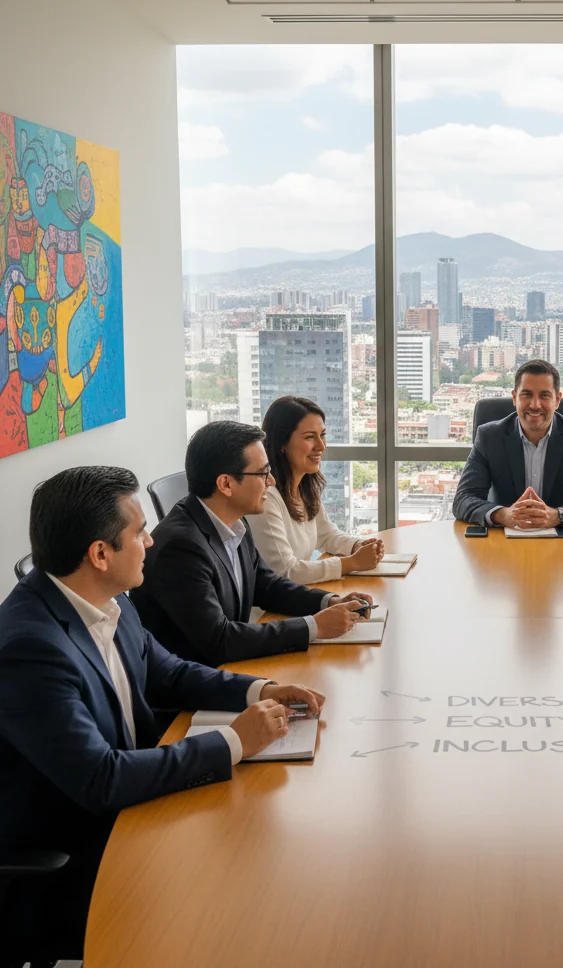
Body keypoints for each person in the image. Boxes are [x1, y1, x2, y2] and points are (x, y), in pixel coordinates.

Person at [0, 467, 325, 960]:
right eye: (138, 532)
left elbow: (168, 672)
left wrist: (263, 689)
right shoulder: (30, 647)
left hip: (140, 807)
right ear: (100, 553)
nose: (151, 541)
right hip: (78, 854)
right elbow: (102, 779)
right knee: (247, 907)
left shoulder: (108, 598)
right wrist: (234, 742)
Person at [131, 421, 372, 667]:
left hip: (229, 670)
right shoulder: (180, 548)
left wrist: (329, 601)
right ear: (225, 484)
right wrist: (314, 626)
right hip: (193, 694)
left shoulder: (234, 521)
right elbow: (220, 640)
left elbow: (265, 585)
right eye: (263, 473)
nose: (272, 482)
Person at [452, 359, 563, 529]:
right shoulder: (489, 437)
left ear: (557, 400)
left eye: (544, 395)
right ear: (514, 398)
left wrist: (559, 515)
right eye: (526, 394)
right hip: (504, 542)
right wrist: (503, 515)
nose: (535, 405)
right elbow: (463, 499)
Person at [248, 395, 384, 583]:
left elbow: (327, 535)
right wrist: (351, 563)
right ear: (282, 444)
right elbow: (285, 571)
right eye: (310, 437)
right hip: (270, 611)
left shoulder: (304, 486)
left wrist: (357, 545)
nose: (320, 446)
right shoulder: (266, 497)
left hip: (295, 600)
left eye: (322, 435)